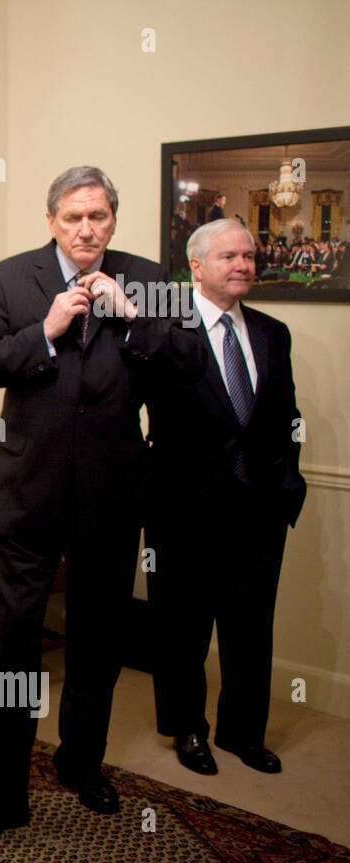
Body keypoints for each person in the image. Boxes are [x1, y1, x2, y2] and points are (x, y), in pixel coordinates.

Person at [0, 166, 206, 833]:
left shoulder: (150, 281)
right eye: (73, 217)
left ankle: (81, 764)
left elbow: (187, 372)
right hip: (25, 497)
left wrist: (131, 320)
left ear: (113, 219)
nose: (86, 229)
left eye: (97, 216)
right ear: (51, 221)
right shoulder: (11, 278)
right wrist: (43, 331)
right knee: (15, 648)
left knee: (98, 644)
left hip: (113, 499)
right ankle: (2, 792)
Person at [146, 219, 306, 776]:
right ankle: (189, 730)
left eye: (248, 255)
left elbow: (286, 416)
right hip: (184, 513)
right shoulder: (163, 329)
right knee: (183, 630)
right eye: (230, 256)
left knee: (250, 629)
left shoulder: (271, 332)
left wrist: (289, 480)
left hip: (259, 510)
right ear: (196, 266)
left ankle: (244, 732)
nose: (243, 265)